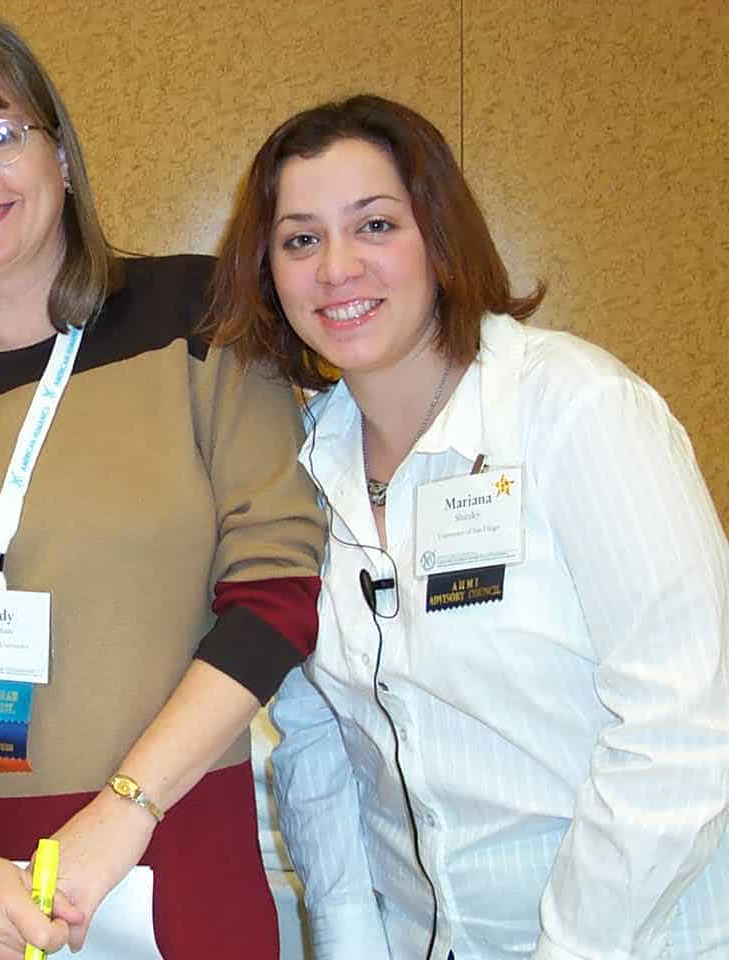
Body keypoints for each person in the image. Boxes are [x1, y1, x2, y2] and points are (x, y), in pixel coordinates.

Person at [0, 17, 324, 960]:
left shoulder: (197, 320)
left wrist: (125, 810)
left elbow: (278, 587)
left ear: (62, 156)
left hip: (170, 859)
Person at [208, 93, 729, 960]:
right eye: (301, 239)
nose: (337, 268)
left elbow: (686, 725)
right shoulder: (298, 464)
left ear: (439, 241)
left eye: (375, 225)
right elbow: (316, 742)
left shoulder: (576, 413)